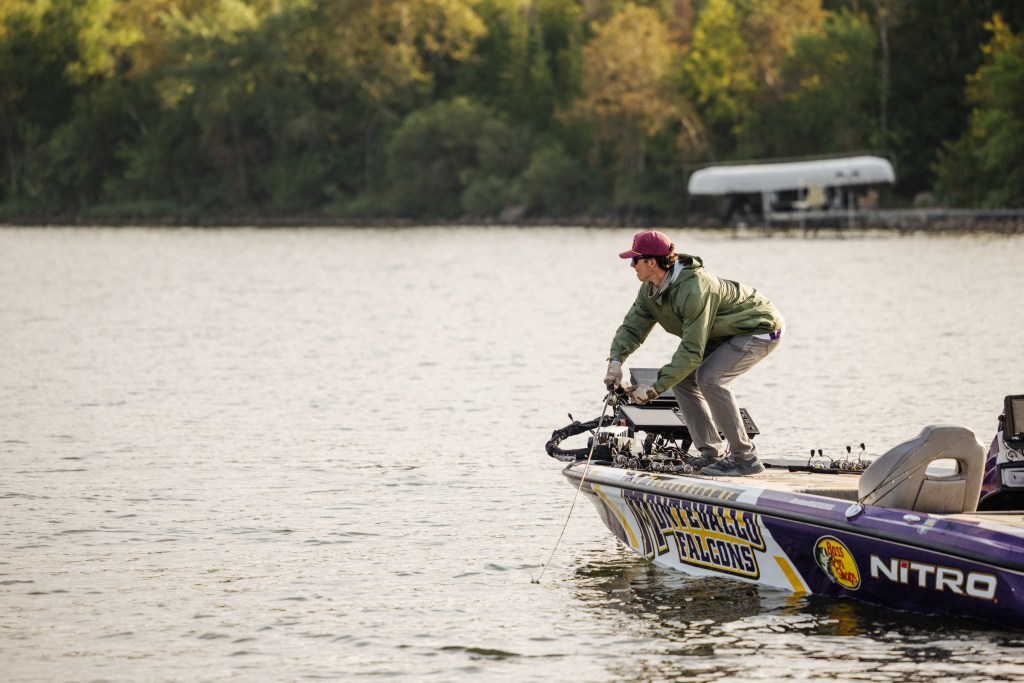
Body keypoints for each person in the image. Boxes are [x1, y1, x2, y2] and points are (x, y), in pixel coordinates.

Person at [603, 230, 784, 476]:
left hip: (759, 329)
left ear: (652, 262)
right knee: (682, 380)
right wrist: (615, 362)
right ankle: (712, 453)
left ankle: (745, 458)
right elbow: (631, 329)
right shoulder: (650, 289)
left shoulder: (694, 289)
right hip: (723, 332)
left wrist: (654, 389)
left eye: (635, 260)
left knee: (710, 379)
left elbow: (691, 351)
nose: (631, 265)